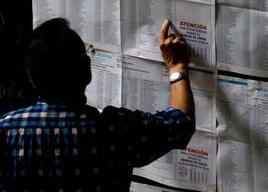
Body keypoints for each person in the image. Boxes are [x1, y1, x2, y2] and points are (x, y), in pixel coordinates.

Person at [0, 18, 195, 191]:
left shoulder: (5, 129)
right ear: (86, 70)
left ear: (32, 77)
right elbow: (181, 123)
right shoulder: (112, 129)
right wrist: (177, 66)